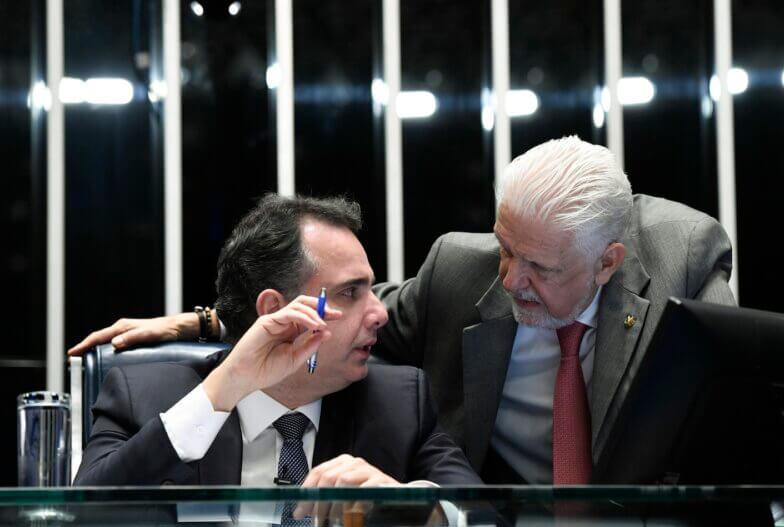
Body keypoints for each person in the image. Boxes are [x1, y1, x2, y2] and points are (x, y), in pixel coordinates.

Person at [71, 136, 734, 485]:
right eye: (506, 251)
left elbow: (740, 420)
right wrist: (212, 326)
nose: (511, 280)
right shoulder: (459, 273)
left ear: (608, 263)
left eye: (540, 268)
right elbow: (326, 310)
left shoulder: (684, 260)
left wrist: (406, 503)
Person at [74, 194, 480, 488]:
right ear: (275, 311)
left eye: (372, 290)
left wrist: (407, 506)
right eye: (350, 293)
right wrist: (222, 391)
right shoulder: (144, 395)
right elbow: (81, 526)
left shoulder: (400, 405)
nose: (380, 313)